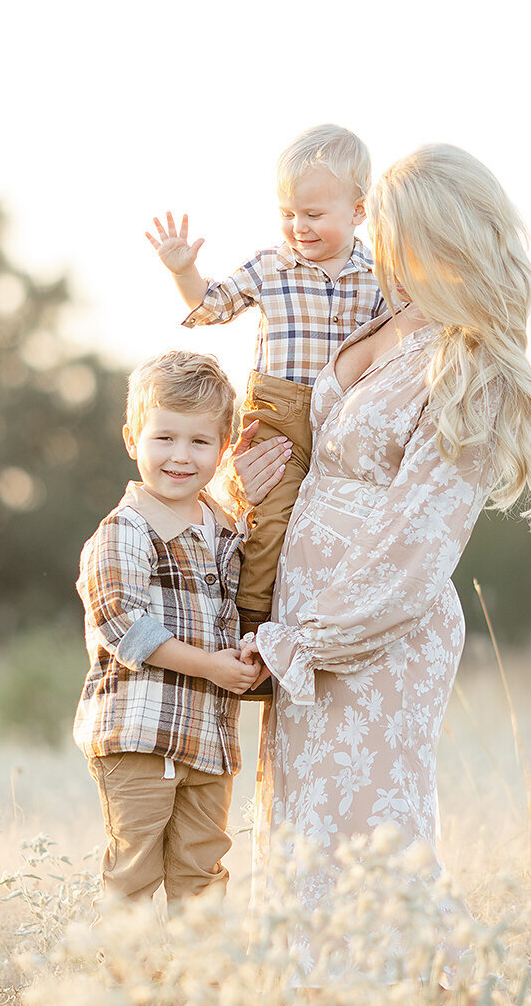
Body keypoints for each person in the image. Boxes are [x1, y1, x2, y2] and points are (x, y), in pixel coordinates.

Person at [235, 146, 531, 945]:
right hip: (305, 613)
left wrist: (305, 642)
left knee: (369, 833)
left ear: (441, 234)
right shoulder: (382, 311)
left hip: (374, 629)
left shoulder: (470, 361)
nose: (377, 240)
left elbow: (420, 538)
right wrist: (250, 483)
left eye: (396, 227)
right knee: (305, 827)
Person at [145, 124, 385, 645]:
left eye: (313, 215)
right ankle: (252, 627)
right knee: (274, 520)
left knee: (335, 526)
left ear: (359, 211)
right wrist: (184, 272)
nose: (298, 226)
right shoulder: (270, 266)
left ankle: (334, 630)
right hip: (277, 415)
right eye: (288, 213)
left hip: (344, 416)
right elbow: (210, 305)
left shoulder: (379, 274)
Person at [73, 350, 261, 907]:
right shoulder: (124, 532)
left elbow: (235, 611)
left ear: (222, 448)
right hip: (139, 736)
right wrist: (213, 668)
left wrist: (246, 652)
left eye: (199, 442)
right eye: (165, 439)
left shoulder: (226, 532)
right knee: (133, 874)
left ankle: (201, 990)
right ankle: (122, 990)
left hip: (209, 742)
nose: (181, 457)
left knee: (202, 874)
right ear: (133, 439)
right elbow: (123, 625)